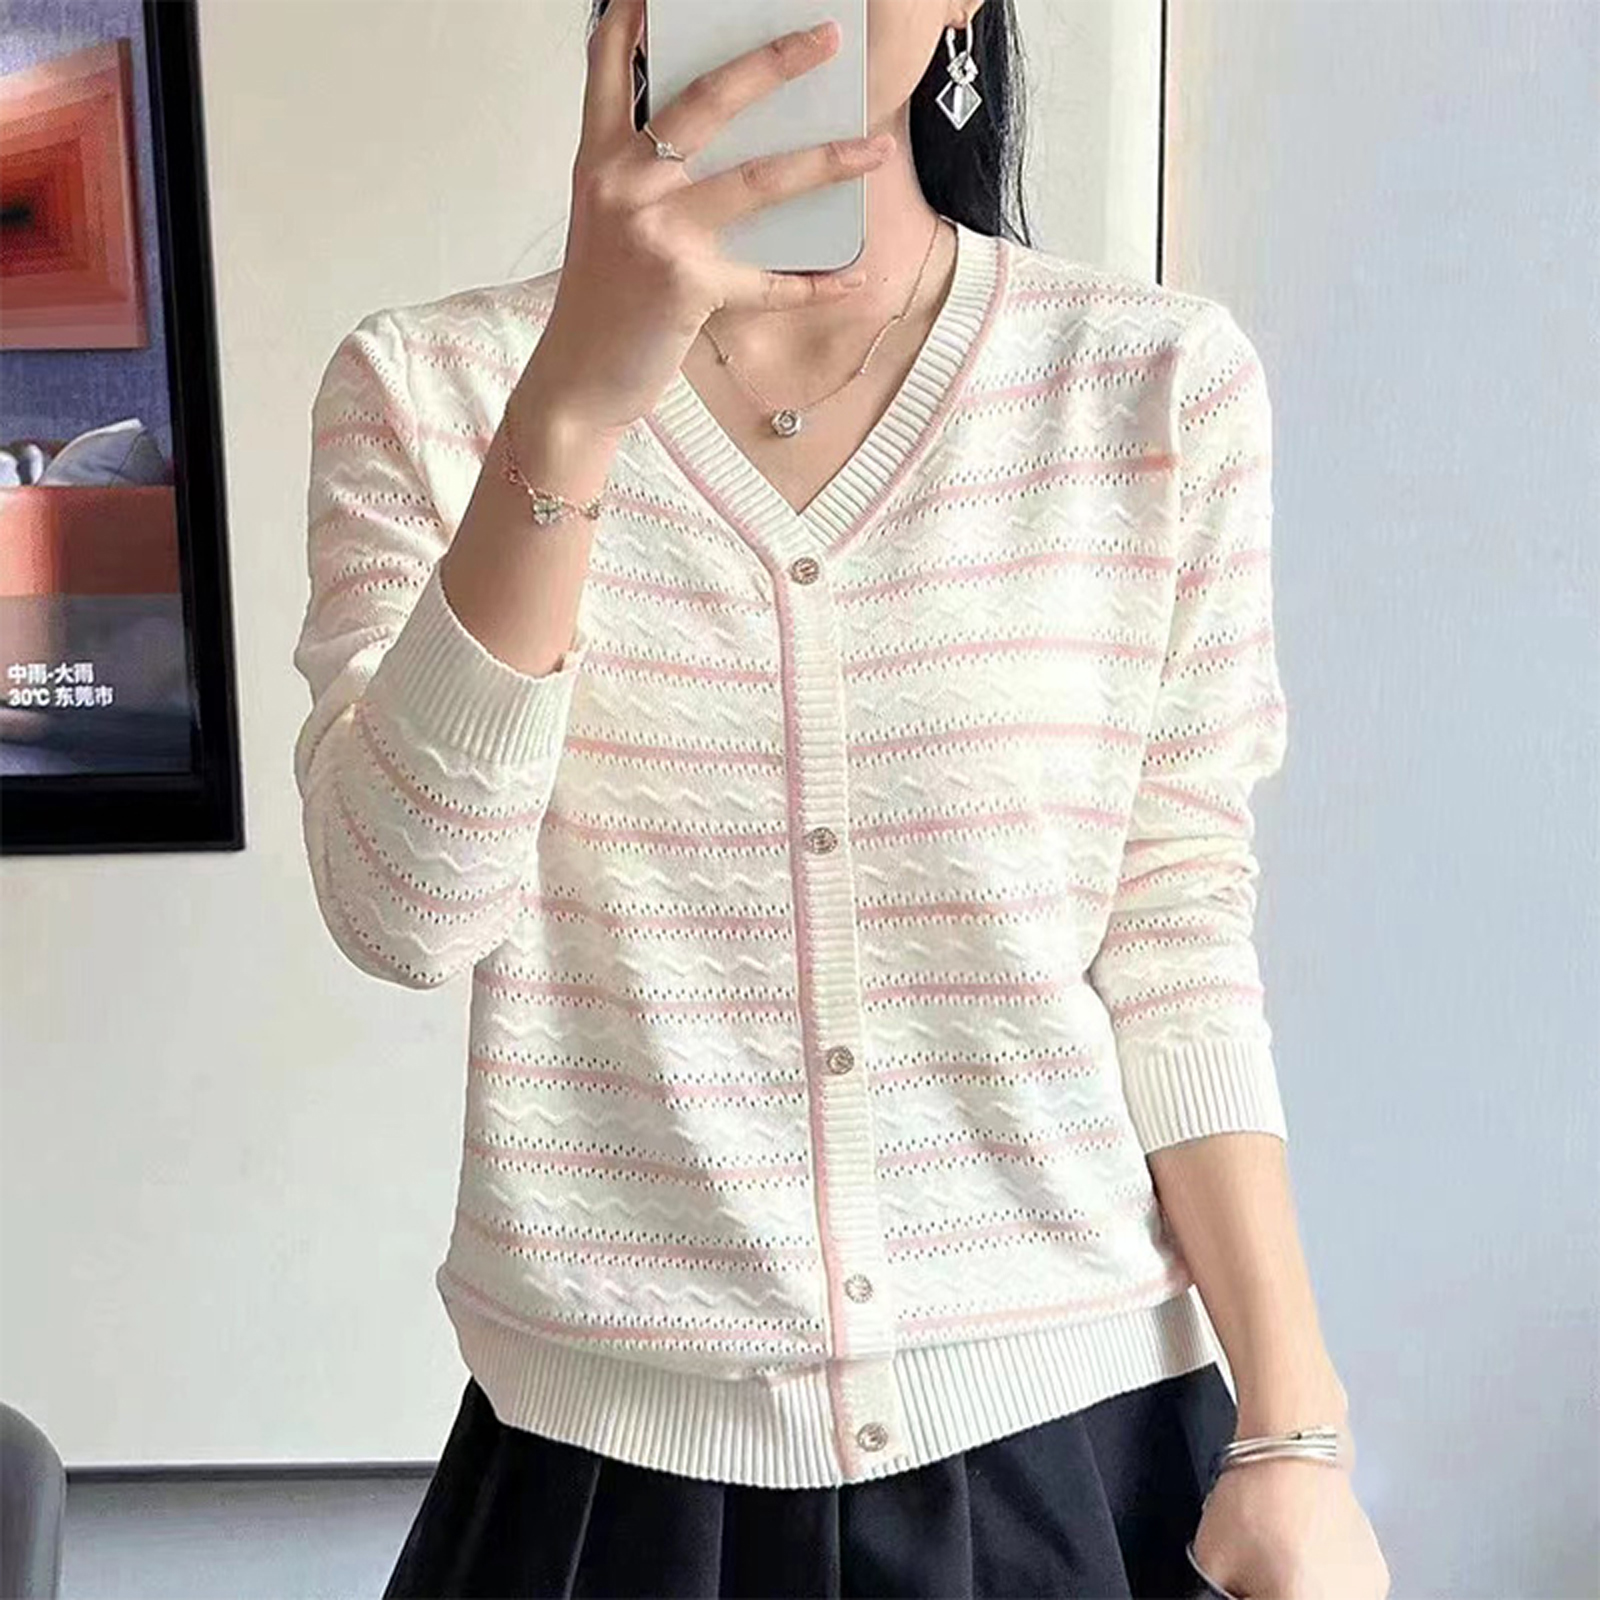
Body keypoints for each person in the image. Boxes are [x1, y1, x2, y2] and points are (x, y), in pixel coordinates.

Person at [292, 0, 1390, 1594]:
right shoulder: (428, 390)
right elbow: (402, 911)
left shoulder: (1151, 383)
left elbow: (1174, 928)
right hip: (604, 1489)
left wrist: (1293, 1432)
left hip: (1067, 1456)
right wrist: (573, 407)